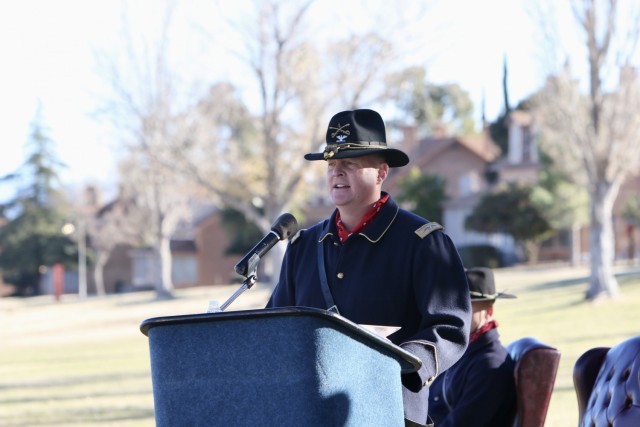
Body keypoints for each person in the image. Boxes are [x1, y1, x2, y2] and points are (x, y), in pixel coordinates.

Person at [265, 108, 471, 427]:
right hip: (311, 411)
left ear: (381, 172)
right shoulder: (303, 247)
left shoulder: (422, 242)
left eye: (349, 164)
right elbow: (275, 329)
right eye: (331, 164)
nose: (336, 173)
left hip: (390, 408)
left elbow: (450, 325)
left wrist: (404, 360)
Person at [428, 267, 517, 427]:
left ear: (489, 311)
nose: (457, 314)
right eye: (453, 305)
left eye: (467, 307)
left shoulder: (490, 365)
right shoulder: (460, 352)